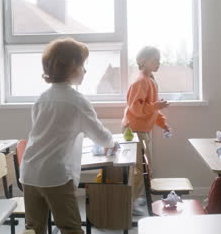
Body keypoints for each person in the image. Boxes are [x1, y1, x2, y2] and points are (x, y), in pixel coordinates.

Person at [20, 38, 117, 234]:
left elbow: (43, 133)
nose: (85, 70)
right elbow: (100, 136)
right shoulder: (77, 102)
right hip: (55, 175)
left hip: (29, 172)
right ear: (71, 67)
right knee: (70, 227)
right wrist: (112, 142)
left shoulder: (42, 99)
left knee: (33, 228)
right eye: (82, 64)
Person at [122, 46, 170, 215]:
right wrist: (157, 106)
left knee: (143, 167)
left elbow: (151, 108)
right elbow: (136, 108)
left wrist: (162, 123)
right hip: (134, 131)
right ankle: (132, 202)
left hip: (142, 130)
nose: (158, 62)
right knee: (138, 168)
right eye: (154, 59)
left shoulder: (150, 80)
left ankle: (138, 198)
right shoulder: (140, 81)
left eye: (159, 59)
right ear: (143, 61)